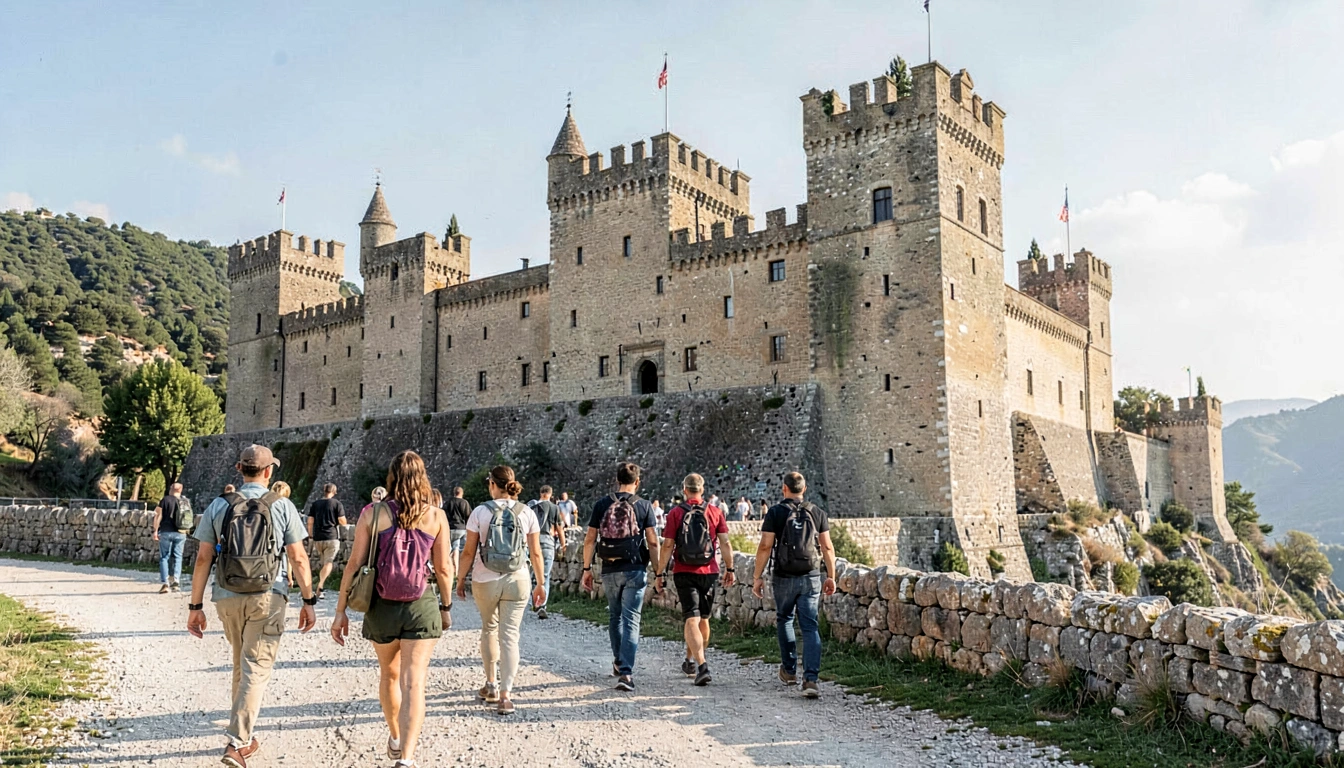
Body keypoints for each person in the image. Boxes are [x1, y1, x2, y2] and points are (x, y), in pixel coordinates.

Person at [186, 445, 317, 768]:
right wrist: (309, 599)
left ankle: (241, 729)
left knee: (241, 663)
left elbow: (203, 557)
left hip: (227, 594)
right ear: (269, 472)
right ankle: (238, 742)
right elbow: (298, 557)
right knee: (255, 668)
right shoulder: (282, 505)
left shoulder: (220, 504)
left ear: (238, 468)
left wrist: (195, 606)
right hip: (267, 595)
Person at [331, 451, 454, 768]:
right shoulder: (436, 516)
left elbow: (353, 566)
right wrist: (446, 606)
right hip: (421, 605)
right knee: (415, 683)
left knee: (389, 674)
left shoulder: (373, 513)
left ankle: (396, 738)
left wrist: (340, 611)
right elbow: (443, 570)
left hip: (381, 606)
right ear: (423, 477)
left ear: (392, 477)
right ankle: (408, 759)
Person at [456, 465, 546, 715]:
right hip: (518, 579)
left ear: (492, 485)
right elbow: (536, 552)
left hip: (485, 579)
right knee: (510, 636)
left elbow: (468, 552)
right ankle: (507, 695)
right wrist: (540, 583)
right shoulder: (527, 512)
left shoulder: (479, 512)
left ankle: (491, 685)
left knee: (489, 628)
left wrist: (460, 579)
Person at [751, 471, 837, 699]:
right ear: (804, 488)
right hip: (810, 575)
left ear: (784, 489)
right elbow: (827, 547)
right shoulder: (817, 512)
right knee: (810, 626)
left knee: (785, 618)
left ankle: (789, 671)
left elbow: (765, 546)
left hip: (783, 575)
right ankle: (811, 679)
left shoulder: (776, 512)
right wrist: (831, 575)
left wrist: (757, 577)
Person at [580, 462, 660, 692]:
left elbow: (589, 539)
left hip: (609, 568)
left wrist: (586, 569)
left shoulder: (602, 504)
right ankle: (626, 673)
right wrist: (659, 571)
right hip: (635, 568)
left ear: (617, 480)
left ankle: (617, 661)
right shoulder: (644, 506)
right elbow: (653, 542)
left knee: (615, 616)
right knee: (631, 619)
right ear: (637, 482)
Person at [654, 473, 734, 686]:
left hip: (684, 570)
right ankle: (691, 660)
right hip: (709, 571)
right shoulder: (715, 512)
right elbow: (725, 543)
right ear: (702, 489)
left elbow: (668, 545)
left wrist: (659, 573)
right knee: (704, 619)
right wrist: (731, 568)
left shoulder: (675, 513)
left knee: (691, 619)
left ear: (684, 489)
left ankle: (701, 664)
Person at [527, 485, 565, 620]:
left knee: (533, 573)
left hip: (533, 541)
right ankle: (542, 605)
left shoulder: (532, 507)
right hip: (548, 542)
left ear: (540, 493)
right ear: (551, 494)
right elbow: (559, 528)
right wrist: (563, 544)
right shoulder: (555, 508)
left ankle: (533, 602)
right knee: (545, 575)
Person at [306, 484, 347, 600]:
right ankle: (320, 586)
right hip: (331, 537)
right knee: (329, 562)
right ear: (334, 492)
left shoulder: (315, 504)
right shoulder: (337, 504)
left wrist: (310, 535)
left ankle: (317, 586)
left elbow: (310, 521)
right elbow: (342, 521)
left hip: (318, 538)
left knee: (324, 563)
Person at [152, 482, 191, 594]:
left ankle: (165, 583)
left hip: (166, 531)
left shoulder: (165, 500)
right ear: (181, 490)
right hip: (181, 532)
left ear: (171, 489)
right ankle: (176, 581)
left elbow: (157, 515)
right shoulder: (185, 501)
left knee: (164, 557)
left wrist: (155, 530)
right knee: (178, 556)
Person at [443, 486, 471, 555]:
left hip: (450, 528)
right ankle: (457, 563)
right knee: (457, 548)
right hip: (461, 529)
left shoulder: (448, 502)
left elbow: (443, 514)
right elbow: (468, 516)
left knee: (448, 548)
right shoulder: (464, 502)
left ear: (454, 493)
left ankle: (448, 562)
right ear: (462, 493)